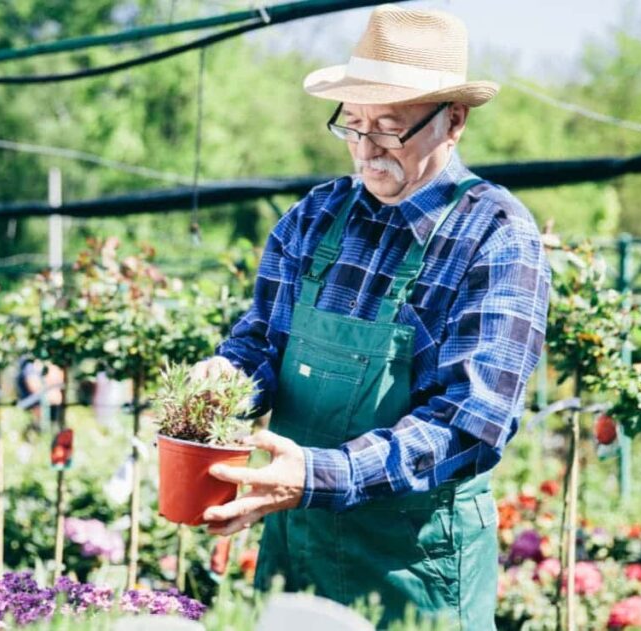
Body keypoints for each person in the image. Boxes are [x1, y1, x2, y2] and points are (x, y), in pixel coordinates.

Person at [195, 6, 551, 628]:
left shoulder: (494, 235)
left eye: (389, 128)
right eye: (353, 124)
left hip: (414, 567)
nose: (365, 148)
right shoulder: (315, 217)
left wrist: (318, 473)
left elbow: (472, 423)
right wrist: (218, 386)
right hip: (295, 545)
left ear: (455, 122)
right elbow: (262, 343)